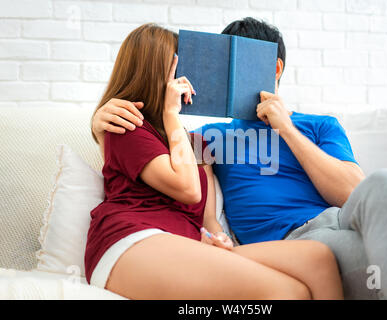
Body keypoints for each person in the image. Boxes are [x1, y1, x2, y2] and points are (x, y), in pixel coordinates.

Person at [91, 19, 387, 299]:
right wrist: (97, 124)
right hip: (296, 244)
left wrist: (288, 129)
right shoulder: (209, 136)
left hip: (346, 219)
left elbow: (355, 193)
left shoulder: (319, 126)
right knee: (374, 257)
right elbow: (172, 167)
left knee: (385, 181)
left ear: (274, 69)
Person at [85, 23, 344, 300]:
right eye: (182, 67)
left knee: (319, 258)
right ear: (158, 73)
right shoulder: (128, 126)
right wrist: (171, 115)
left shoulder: (193, 142)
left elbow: (207, 216)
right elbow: (188, 188)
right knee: (286, 292)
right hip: (133, 238)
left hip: (184, 243)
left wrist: (217, 236)